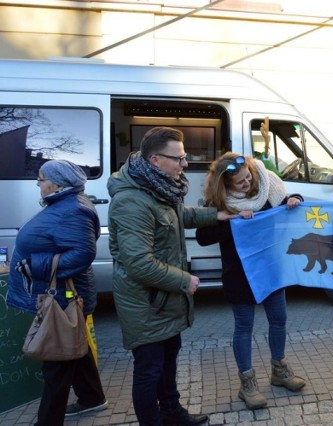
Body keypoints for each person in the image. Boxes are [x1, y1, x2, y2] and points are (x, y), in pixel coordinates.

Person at [108, 127, 236, 426]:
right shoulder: (132, 201)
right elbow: (138, 263)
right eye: (178, 158)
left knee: (167, 362)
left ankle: (172, 412)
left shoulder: (159, 187)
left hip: (164, 302)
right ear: (155, 159)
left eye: (185, 157)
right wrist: (184, 280)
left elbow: (178, 215)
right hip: (147, 304)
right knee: (149, 370)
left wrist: (215, 215)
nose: (185, 164)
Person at [196, 153, 306, 410]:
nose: (247, 184)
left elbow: (291, 209)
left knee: (278, 320)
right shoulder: (216, 202)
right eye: (240, 183)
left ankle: (280, 371)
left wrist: (295, 199)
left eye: (248, 177)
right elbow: (203, 236)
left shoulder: (268, 188)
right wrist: (233, 221)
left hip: (271, 270)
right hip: (240, 275)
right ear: (225, 185)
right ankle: (247, 383)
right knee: (244, 328)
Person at [7, 160, 107, 426]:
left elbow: (83, 254)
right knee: (74, 343)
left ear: (57, 183)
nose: (38, 183)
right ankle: (92, 397)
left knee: (57, 358)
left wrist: (36, 267)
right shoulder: (66, 204)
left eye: (40, 179)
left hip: (63, 294)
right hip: (63, 292)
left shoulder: (72, 209)